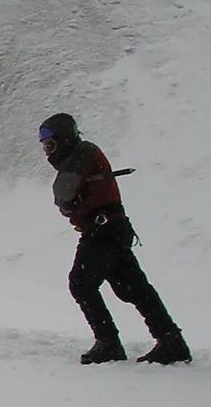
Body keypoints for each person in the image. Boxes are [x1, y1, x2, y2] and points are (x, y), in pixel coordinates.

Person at [39, 113, 190, 365]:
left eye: (50, 144)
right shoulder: (84, 154)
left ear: (64, 139)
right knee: (134, 287)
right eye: (44, 146)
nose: (46, 151)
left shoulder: (82, 152)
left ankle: (108, 343)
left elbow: (63, 193)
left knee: (81, 283)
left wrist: (71, 205)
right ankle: (170, 339)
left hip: (102, 231)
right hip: (113, 228)